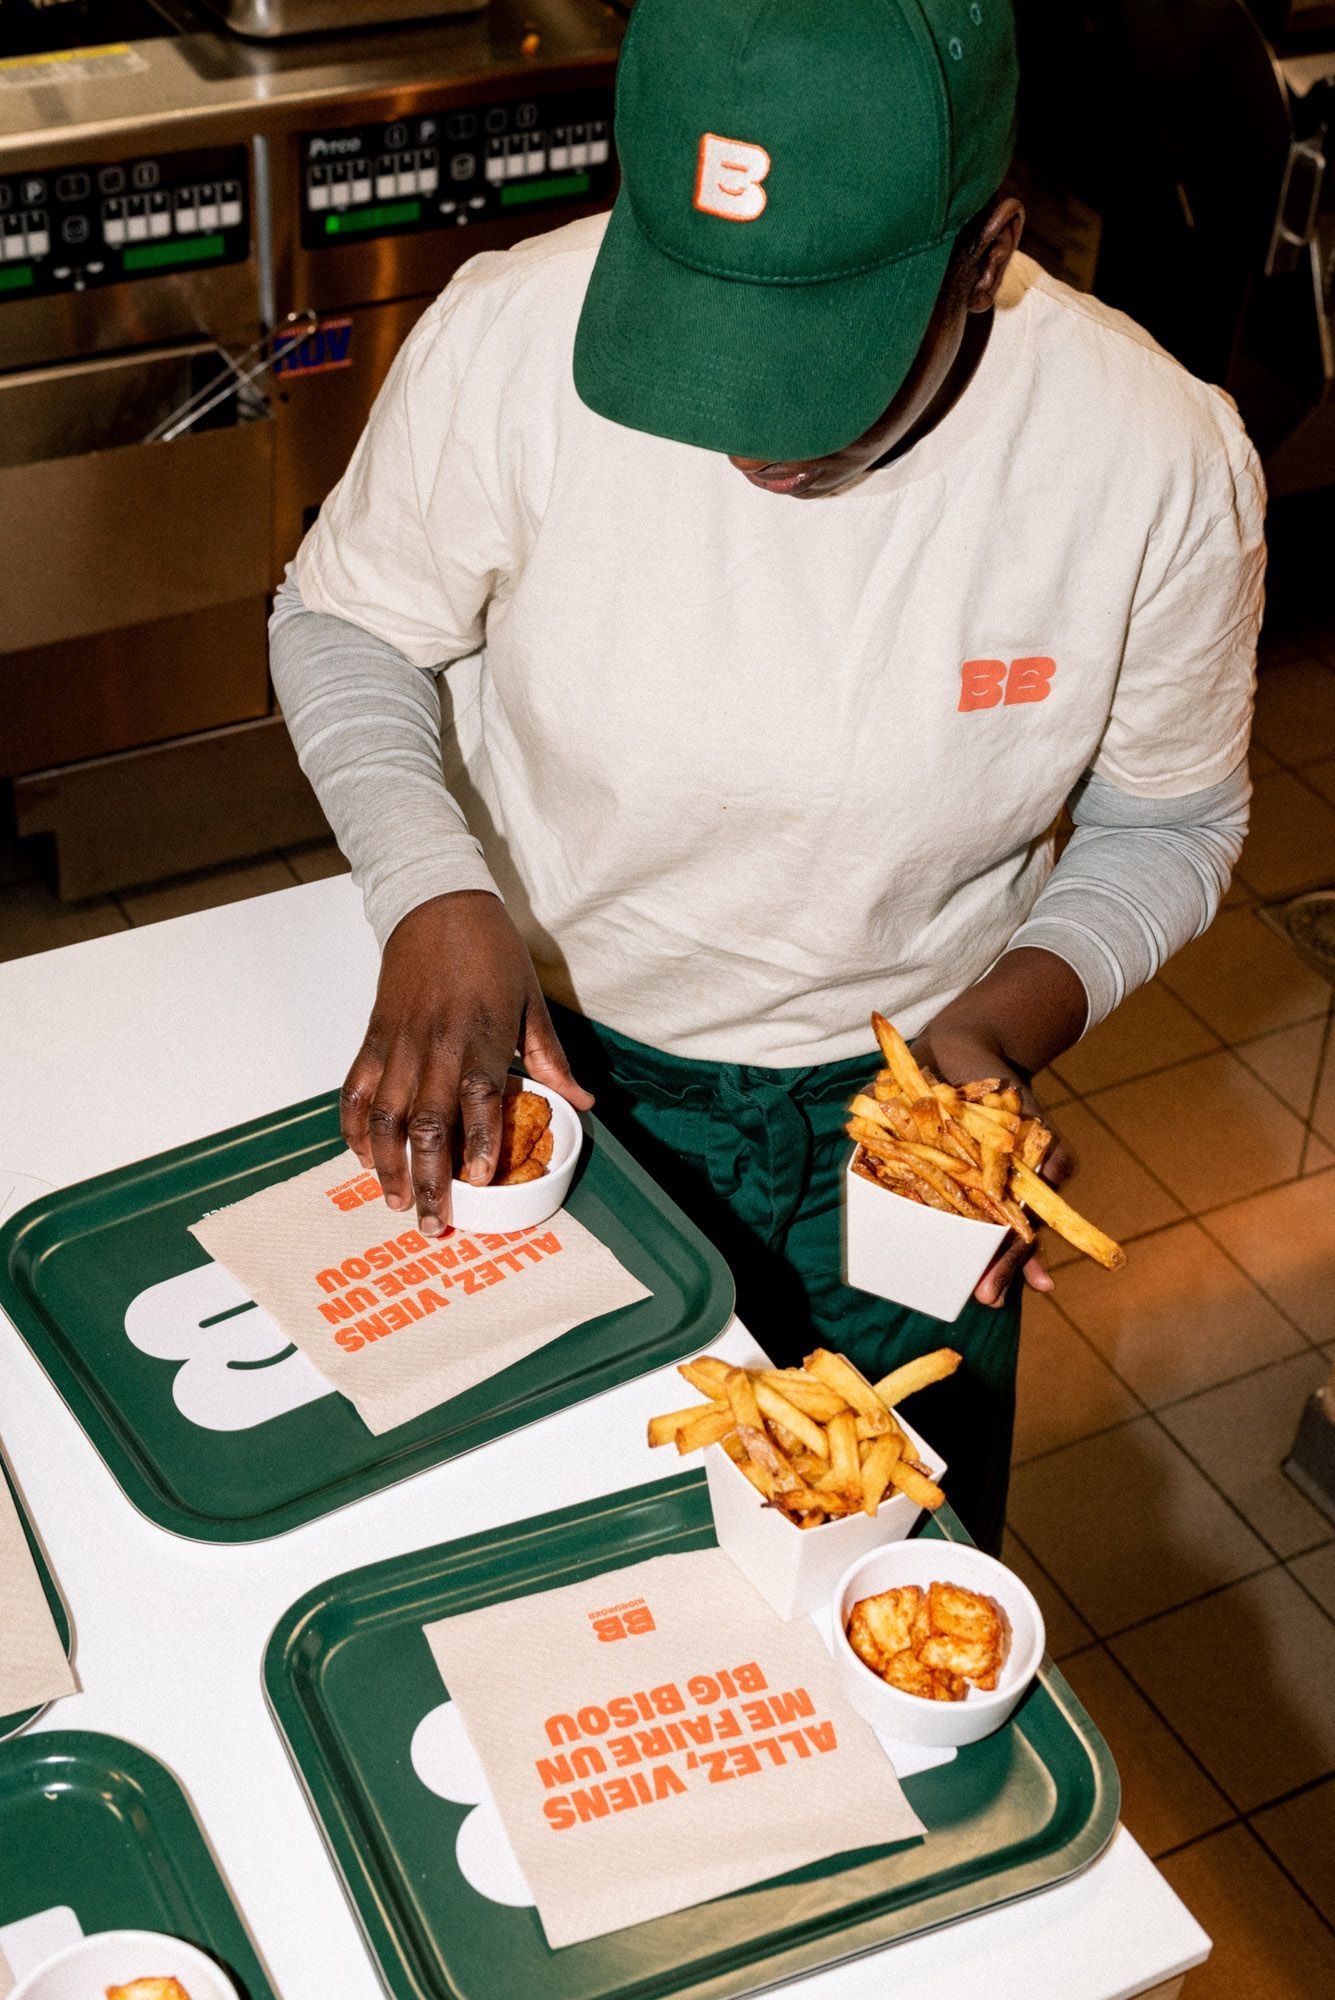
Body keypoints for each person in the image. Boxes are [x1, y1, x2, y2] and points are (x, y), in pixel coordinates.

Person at [270, 0, 1263, 1550]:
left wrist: (992, 1037)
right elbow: (347, 624)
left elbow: (1172, 818)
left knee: (879, 1562)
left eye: (820, 361)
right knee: (533, 1538)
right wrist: (431, 891)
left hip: (892, 1125)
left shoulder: (1151, 457)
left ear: (988, 251)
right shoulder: (510, 336)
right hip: (547, 1062)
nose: (752, 435)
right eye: (704, 334)